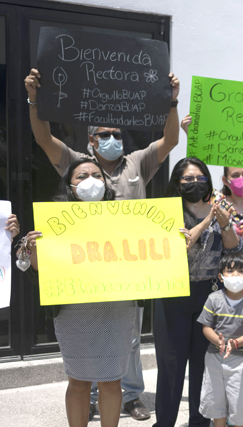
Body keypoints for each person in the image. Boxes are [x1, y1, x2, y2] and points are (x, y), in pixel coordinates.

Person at [24, 68, 181, 421]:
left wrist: (171, 102)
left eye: (117, 133)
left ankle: (131, 395)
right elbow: (43, 138)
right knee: (80, 371)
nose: (114, 138)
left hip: (126, 277)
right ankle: (89, 396)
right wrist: (35, 99)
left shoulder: (136, 161)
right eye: (105, 134)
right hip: (81, 282)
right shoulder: (79, 164)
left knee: (130, 346)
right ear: (91, 142)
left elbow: (170, 141)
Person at [22, 158, 135, 427]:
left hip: (116, 308)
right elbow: (41, 270)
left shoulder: (127, 217)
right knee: (79, 380)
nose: (91, 181)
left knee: (112, 380)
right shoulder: (55, 220)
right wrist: (33, 247)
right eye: (82, 176)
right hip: (74, 310)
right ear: (70, 186)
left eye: (97, 175)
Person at [180, 119, 243, 400]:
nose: (241, 179)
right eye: (235, 175)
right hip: (229, 282)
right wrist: (190, 136)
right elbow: (198, 173)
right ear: (225, 180)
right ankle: (228, 381)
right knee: (229, 331)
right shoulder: (217, 203)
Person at [153, 157, 242, 427]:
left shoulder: (220, 207)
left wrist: (225, 223)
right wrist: (208, 220)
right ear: (177, 184)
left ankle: (199, 422)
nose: (195, 183)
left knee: (204, 366)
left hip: (208, 294)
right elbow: (182, 243)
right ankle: (165, 422)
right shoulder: (166, 211)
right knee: (171, 365)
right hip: (172, 293)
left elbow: (233, 249)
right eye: (188, 179)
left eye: (200, 178)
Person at [198, 251, 243, 427]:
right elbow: (206, 327)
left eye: (241, 271)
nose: (235, 275)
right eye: (230, 271)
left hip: (242, 362)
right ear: (221, 277)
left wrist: (235, 343)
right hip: (215, 358)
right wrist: (218, 341)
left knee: (240, 404)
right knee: (215, 401)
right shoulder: (213, 299)